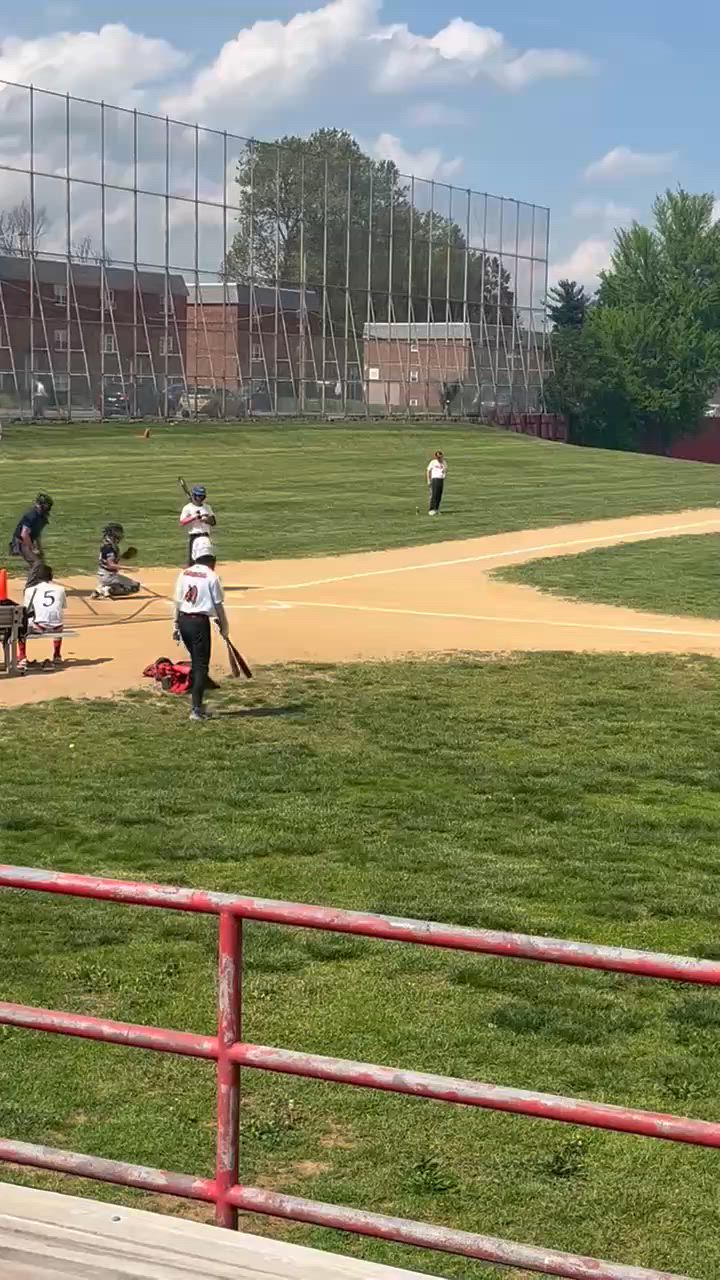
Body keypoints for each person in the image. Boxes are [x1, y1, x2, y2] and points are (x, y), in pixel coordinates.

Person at [173, 550, 229, 721]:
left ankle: (198, 698)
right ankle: (196, 709)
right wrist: (225, 627)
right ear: (212, 561)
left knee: (197, 660)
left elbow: (177, 601)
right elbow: (218, 606)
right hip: (199, 623)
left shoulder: (185, 573)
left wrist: (175, 625)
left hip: (183, 621)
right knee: (201, 666)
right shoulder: (212, 576)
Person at [19, 564, 66, 670]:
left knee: (20, 627)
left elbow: (27, 610)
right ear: (51, 576)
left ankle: (22, 657)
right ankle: (57, 655)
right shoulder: (60, 589)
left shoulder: (30, 590)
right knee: (58, 621)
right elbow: (62, 606)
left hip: (39, 626)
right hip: (57, 626)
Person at [9, 493, 53, 585]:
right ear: (41, 504)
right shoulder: (31, 515)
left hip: (28, 541)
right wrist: (33, 548)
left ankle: (41, 583)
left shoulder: (41, 517)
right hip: (21, 542)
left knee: (41, 562)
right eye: (46, 505)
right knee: (37, 563)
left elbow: (37, 534)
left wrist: (40, 549)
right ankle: (30, 586)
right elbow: (24, 534)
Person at [92, 524, 141, 599]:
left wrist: (124, 556)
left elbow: (111, 560)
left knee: (122, 583)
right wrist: (129, 568)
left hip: (103, 575)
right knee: (135, 587)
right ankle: (106, 589)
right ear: (111, 534)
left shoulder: (108, 546)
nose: (119, 535)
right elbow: (111, 565)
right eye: (117, 533)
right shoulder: (109, 548)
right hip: (109, 576)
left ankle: (99, 589)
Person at [179, 485, 216, 563]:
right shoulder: (187, 508)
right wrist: (193, 517)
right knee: (193, 560)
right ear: (194, 496)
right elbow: (182, 522)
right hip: (194, 536)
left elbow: (213, 522)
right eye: (199, 496)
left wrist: (206, 519)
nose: (200, 498)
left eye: (202, 496)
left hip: (206, 536)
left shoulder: (207, 507)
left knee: (207, 558)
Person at [426, 450, 447, 515]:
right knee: (434, 494)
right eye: (438, 457)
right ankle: (431, 509)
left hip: (441, 479)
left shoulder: (444, 462)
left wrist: (444, 472)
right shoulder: (433, 462)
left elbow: (446, 469)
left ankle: (437, 509)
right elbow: (428, 471)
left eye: (440, 457)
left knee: (439, 495)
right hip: (435, 479)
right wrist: (428, 480)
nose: (439, 458)